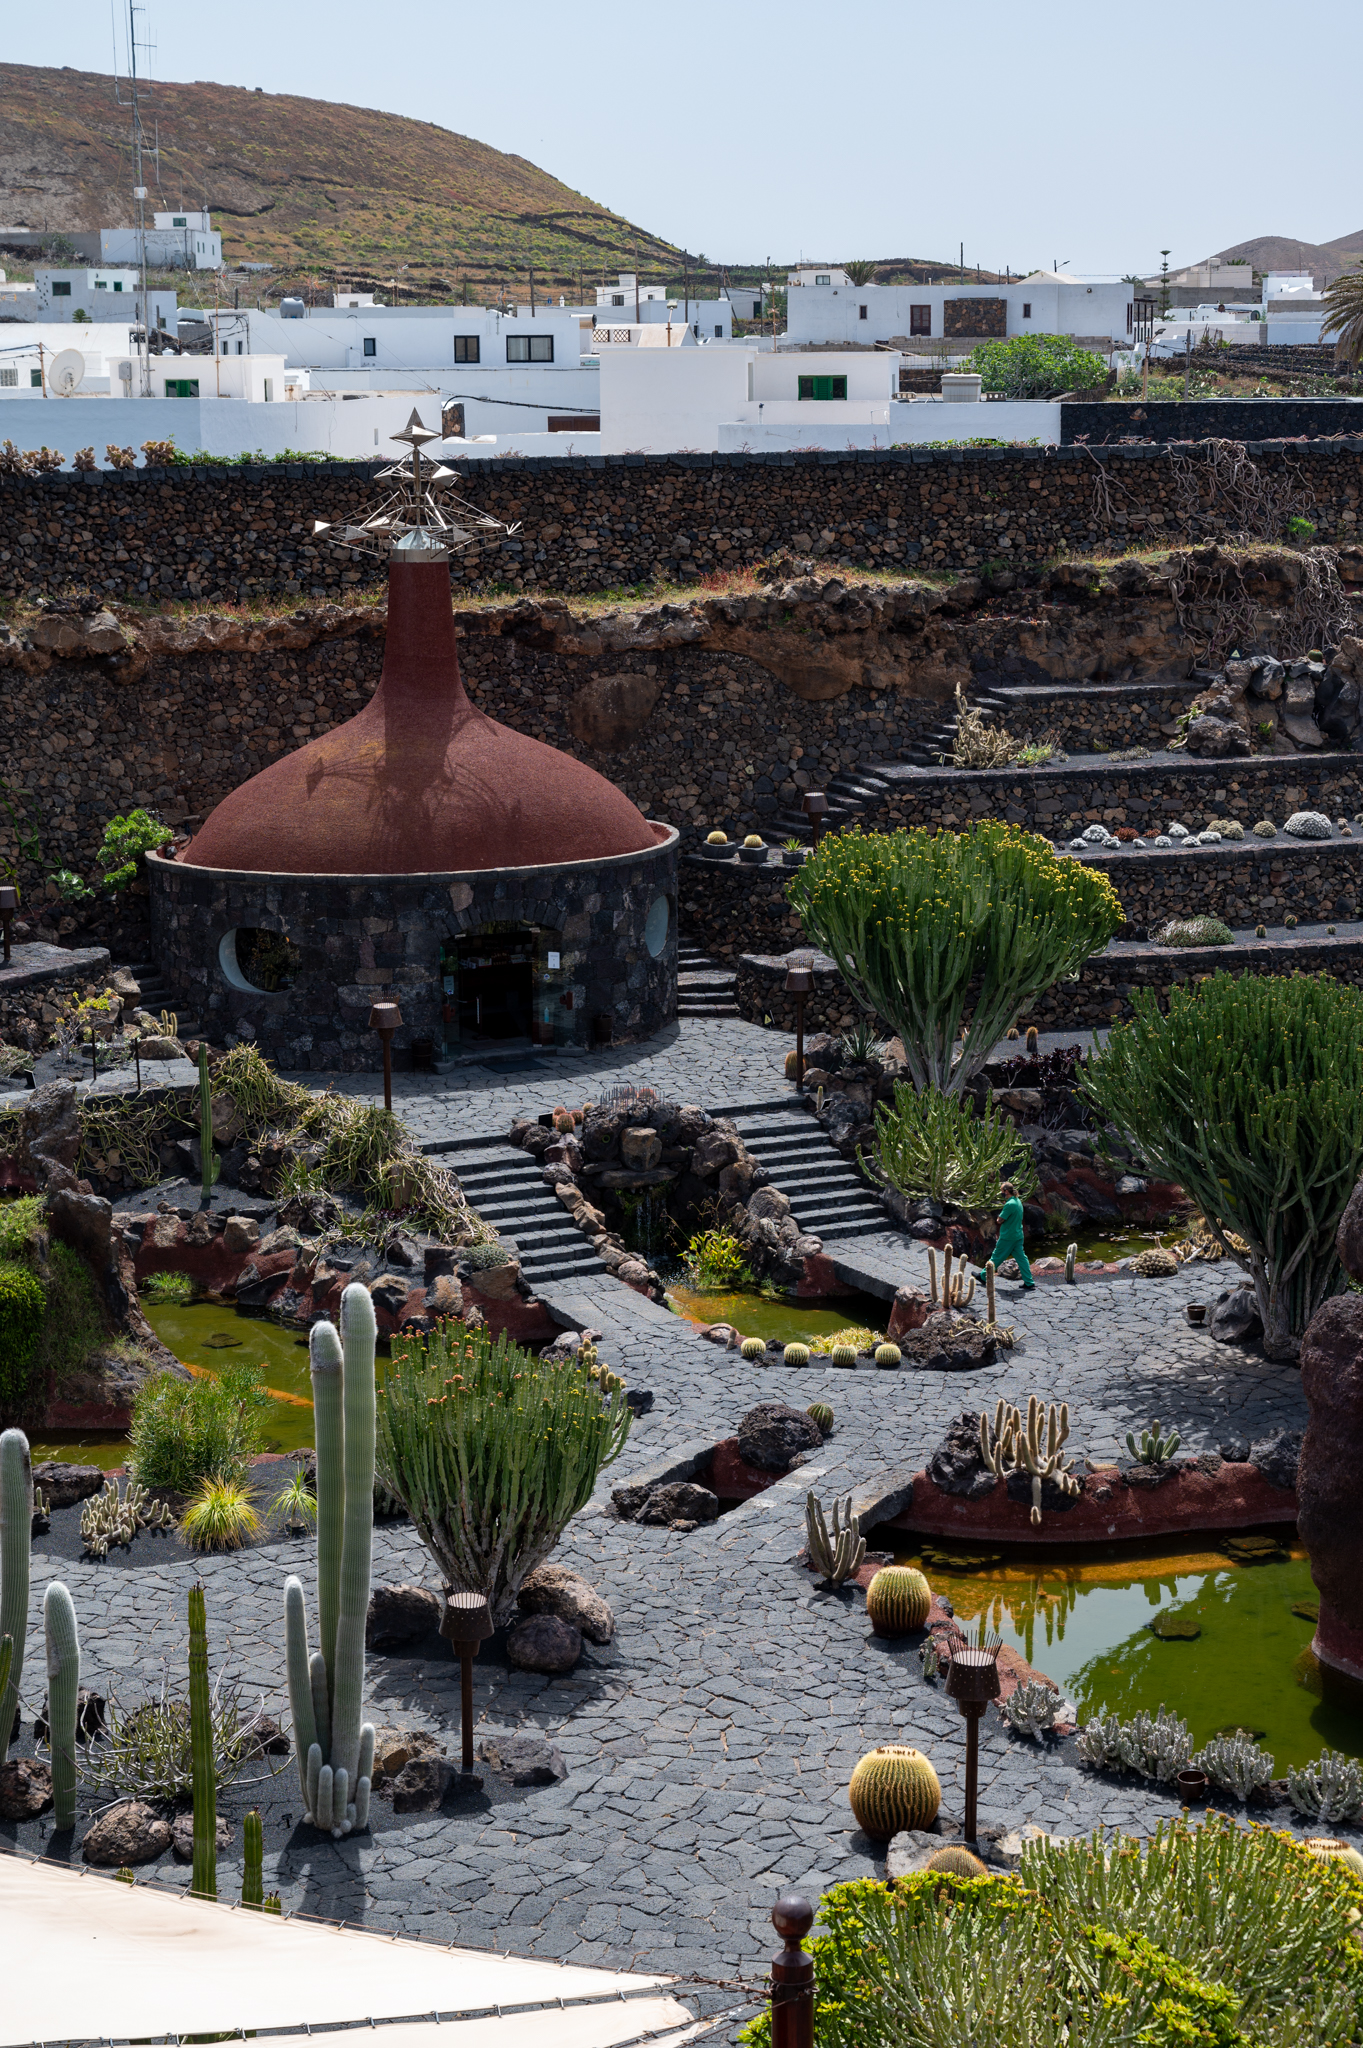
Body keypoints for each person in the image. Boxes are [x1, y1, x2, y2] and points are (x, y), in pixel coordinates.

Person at [976, 1181, 1034, 1290]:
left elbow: (999, 1220)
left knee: (996, 1256)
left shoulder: (1009, 1204)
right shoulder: (1017, 1201)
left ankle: (983, 1277)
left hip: (1008, 1236)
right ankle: (1029, 1282)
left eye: (1001, 1191)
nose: (1000, 1192)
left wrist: (1000, 1215)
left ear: (1006, 1191)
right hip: (1018, 1235)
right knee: (1022, 1258)